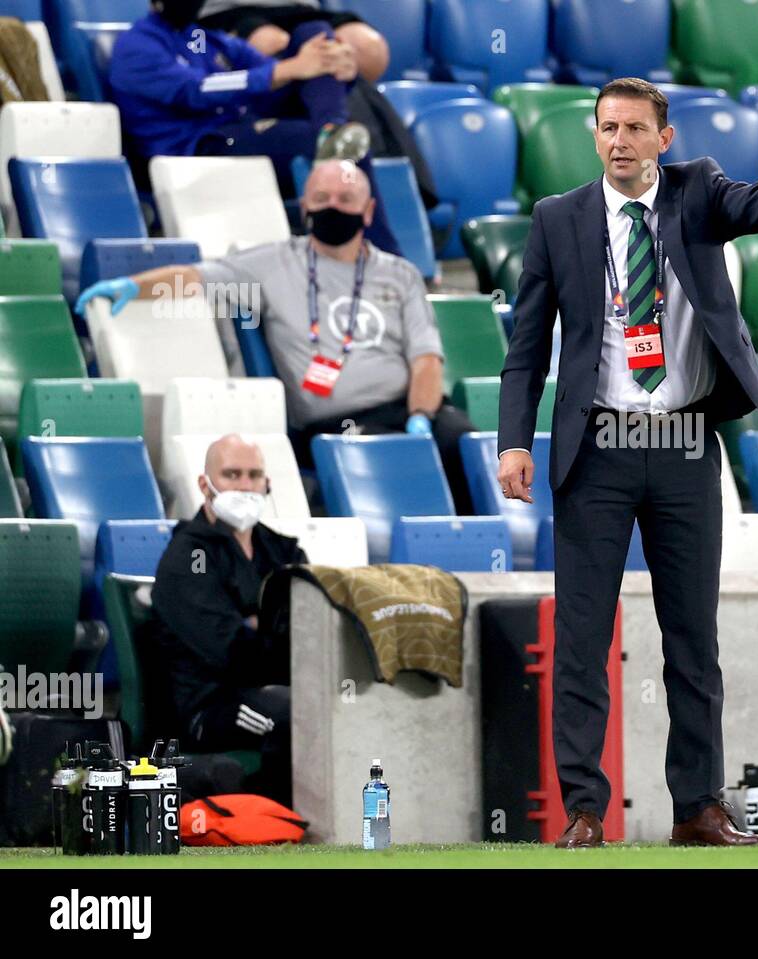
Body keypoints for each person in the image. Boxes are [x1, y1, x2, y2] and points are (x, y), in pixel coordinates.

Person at [497, 77, 758, 848]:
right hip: (598, 446)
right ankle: (582, 811)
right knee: (580, 639)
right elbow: (526, 348)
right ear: (593, 135)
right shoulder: (557, 219)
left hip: (681, 445)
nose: (620, 141)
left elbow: (757, 204)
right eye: (608, 128)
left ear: (662, 139)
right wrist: (512, 440)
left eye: (636, 128)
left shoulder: (697, 192)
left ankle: (698, 808)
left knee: (693, 640)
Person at [76, 159, 477, 514]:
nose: (332, 207)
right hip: (339, 420)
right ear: (304, 208)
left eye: (345, 198)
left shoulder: (400, 273)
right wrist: (130, 285)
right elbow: (197, 277)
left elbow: (426, 359)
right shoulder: (272, 265)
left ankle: (485, 539)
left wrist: (421, 417)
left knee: (467, 442)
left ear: (368, 211)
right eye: (321, 198)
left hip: (411, 410)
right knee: (391, 455)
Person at [109, 0, 400, 253]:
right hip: (200, 146)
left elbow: (278, 79)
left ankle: (330, 128)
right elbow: (197, 90)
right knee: (340, 147)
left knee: (315, 32)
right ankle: (383, 258)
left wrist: (334, 67)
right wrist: (289, 68)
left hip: (242, 130)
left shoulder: (202, 38)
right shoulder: (135, 45)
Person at [151, 434, 306, 805]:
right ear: (205, 484)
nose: (244, 486)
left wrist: (256, 625)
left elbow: (311, 630)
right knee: (294, 714)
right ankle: (282, 825)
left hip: (267, 689)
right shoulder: (188, 558)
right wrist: (268, 631)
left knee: (330, 702)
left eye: (254, 475)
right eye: (232, 474)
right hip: (208, 709)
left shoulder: (282, 550)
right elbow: (232, 653)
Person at [197, 0, 390, 83]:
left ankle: (345, 123)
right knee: (275, 44)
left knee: (370, 49)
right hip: (227, 10)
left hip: (298, 7)